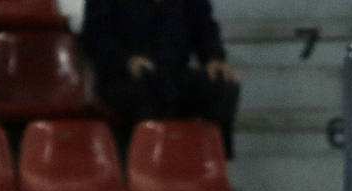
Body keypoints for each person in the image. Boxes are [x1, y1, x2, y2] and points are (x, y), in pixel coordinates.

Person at [81, 0, 241, 156]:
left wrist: (214, 58)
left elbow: (204, 27)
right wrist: (126, 61)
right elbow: (95, 37)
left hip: (173, 75)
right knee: (147, 95)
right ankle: (150, 164)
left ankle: (211, 161)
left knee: (223, 86)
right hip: (125, 78)